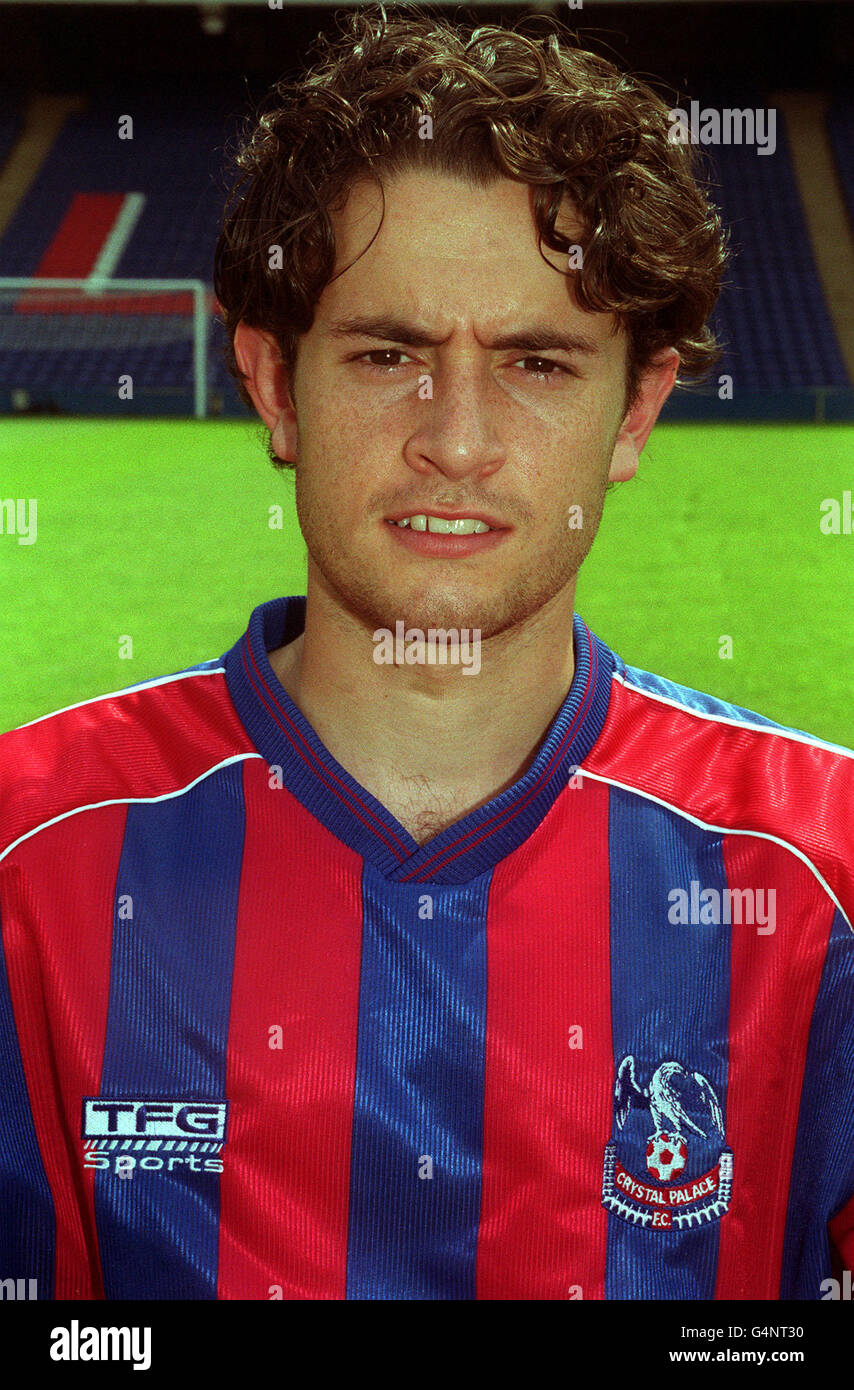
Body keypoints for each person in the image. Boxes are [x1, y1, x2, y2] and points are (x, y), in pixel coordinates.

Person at [1, 5, 851, 1301]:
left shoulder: (816, 876)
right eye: (389, 352)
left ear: (635, 410)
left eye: (535, 362)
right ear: (277, 385)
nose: (454, 440)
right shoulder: (31, 857)